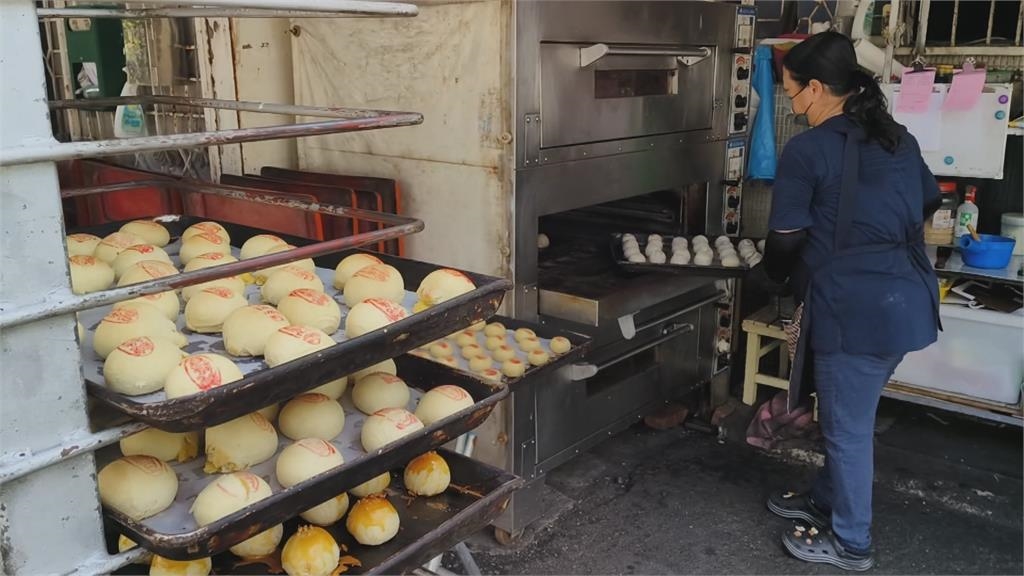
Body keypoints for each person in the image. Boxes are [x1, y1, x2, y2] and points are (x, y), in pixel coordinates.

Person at [749, 31, 942, 571]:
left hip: (854, 308)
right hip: (905, 297)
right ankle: (825, 498)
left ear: (814, 88)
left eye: (790, 96)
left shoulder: (809, 149)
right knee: (850, 414)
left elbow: (785, 234)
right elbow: (928, 199)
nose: (792, 107)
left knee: (846, 427)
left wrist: (770, 278)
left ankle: (851, 543)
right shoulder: (896, 137)